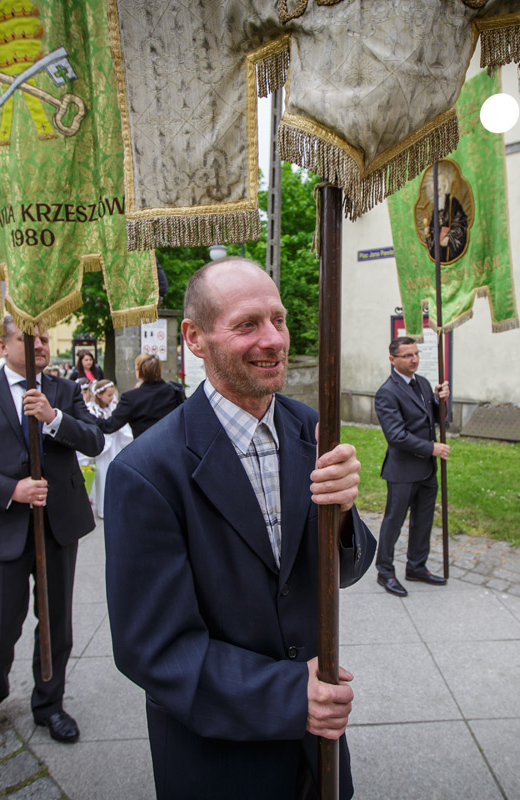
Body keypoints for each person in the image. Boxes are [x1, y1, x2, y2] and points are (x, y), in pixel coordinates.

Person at [105, 258, 376, 799]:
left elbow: (343, 570)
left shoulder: (310, 428)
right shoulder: (146, 472)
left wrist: (342, 513)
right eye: (247, 324)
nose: (273, 339)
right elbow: (154, 649)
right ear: (195, 337)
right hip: (218, 761)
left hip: (318, 752)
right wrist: (288, 694)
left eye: (278, 318)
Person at [0, 316, 103, 748]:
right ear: (4, 345)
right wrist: (11, 489)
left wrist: (54, 418)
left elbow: (95, 440)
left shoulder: (63, 391)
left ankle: (49, 704)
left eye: (45, 338)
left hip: (56, 529)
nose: (41, 345)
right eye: (30, 338)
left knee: (56, 626)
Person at [373, 336, 451, 597]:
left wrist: (442, 400)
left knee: (423, 521)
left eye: (415, 354)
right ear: (392, 359)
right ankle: (384, 572)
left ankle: (416, 567)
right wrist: (432, 448)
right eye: (407, 355)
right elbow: (395, 435)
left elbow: (441, 421)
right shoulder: (387, 392)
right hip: (403, 471)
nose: (414, 359)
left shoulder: (424, 384)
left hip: (427, 470)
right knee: (393, 522)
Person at [96, 354, 183, 439]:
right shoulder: (173, 390)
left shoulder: (130, 398)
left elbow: (109, 426)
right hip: (172, 445)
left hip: (145, 448)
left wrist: (87, 416)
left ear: (138, 373)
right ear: (159, 370)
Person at [89, 379, 132, 518]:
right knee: (102, 478)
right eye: (109, 395)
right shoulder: (91, 410)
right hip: (103, 452)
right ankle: (103, 509)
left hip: (116, 448)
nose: (112, 398)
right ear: (99, 395)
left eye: (113, 394)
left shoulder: (113, 408)